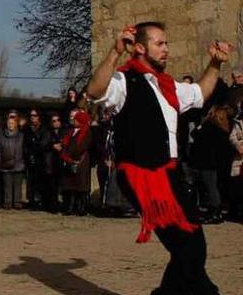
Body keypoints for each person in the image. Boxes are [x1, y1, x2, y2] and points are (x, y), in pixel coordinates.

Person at [86, 22, 229, 295]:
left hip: (170, 175)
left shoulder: (167, 85)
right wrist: (114, 53)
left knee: (191, 246)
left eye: (166, 43)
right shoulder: (124, 80)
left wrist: (215, 64)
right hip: (143, 175)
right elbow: (94, 91)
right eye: (159, 43)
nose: (166, 49)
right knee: (188, 247)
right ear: (140, 48)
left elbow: (200, 93)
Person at [59, 109, 93, 216]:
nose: (74, 120)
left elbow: (82, 146)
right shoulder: (71, 132)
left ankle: (81, 208)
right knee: (69, 185)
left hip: (80, 162)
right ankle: (69, 207)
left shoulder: (86, 132)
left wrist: (72, 153)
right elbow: (66, 143)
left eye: (76, 119)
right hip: (69, 160)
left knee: (80, 186)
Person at [0, 110, 26, 209]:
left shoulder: (21, 135)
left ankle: (17, 202)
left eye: (13, 123)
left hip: (19, 163)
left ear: (16, 124)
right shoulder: (2, 136)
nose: (11, 125)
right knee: (7, 185)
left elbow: (24, 149)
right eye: (9, 123)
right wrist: (1, 160)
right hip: (5, 164)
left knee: (17, 185)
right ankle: (7, 203)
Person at [23, 109, 51, 210]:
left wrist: (34, 148)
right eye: (31, 115)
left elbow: (44, 143)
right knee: (31, 182)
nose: (32, 117)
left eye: (35, 115)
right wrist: (29, 153)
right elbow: (25, 144)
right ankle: (32, 201)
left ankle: (41, 201)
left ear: (39, 117)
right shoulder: (27, 129)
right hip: (30, 158)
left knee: (41, 182)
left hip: (41, 159)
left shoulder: (44, 129)